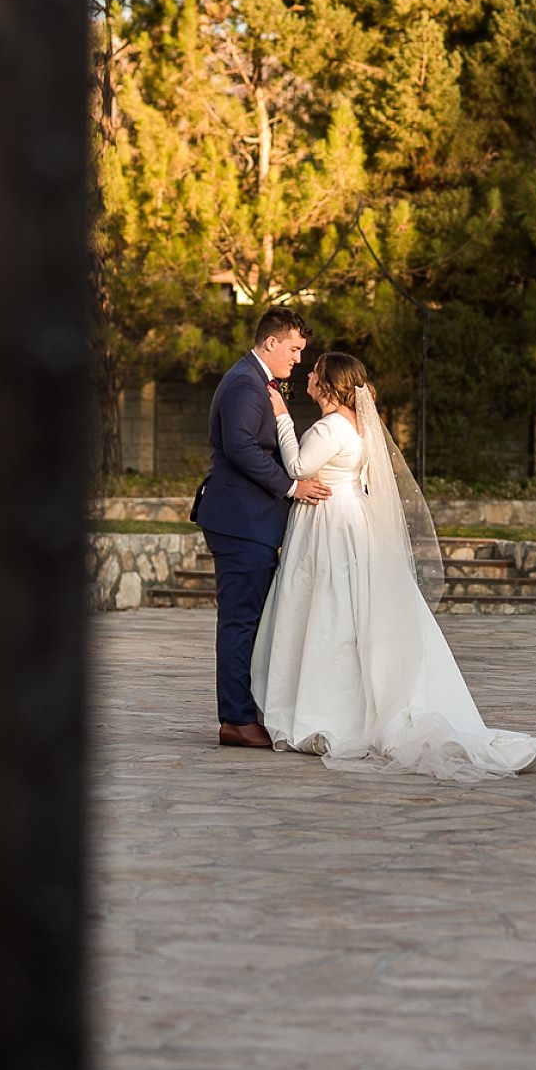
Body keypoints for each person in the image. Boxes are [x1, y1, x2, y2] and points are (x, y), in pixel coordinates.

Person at [253, 351, 536, 781]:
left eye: (315, 371)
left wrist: (282, 418)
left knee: (328, 611)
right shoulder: (358, 425)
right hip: (345, 518)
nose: (308, 375)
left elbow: (297, 466)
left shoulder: (331, 426)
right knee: (340, 611)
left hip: (330, 522)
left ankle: (324, 707)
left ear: (329, 383)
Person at [197, 308, 332, 749]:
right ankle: (235, 720)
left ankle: (246, 710)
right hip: (240, 519)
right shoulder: (243, 383)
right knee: (240, 620)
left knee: (250, 620)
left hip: (252, 520)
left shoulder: (255, 382)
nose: (297, 360)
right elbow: (240, 447)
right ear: (271, 342)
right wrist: (292, 485)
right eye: (294, 349)